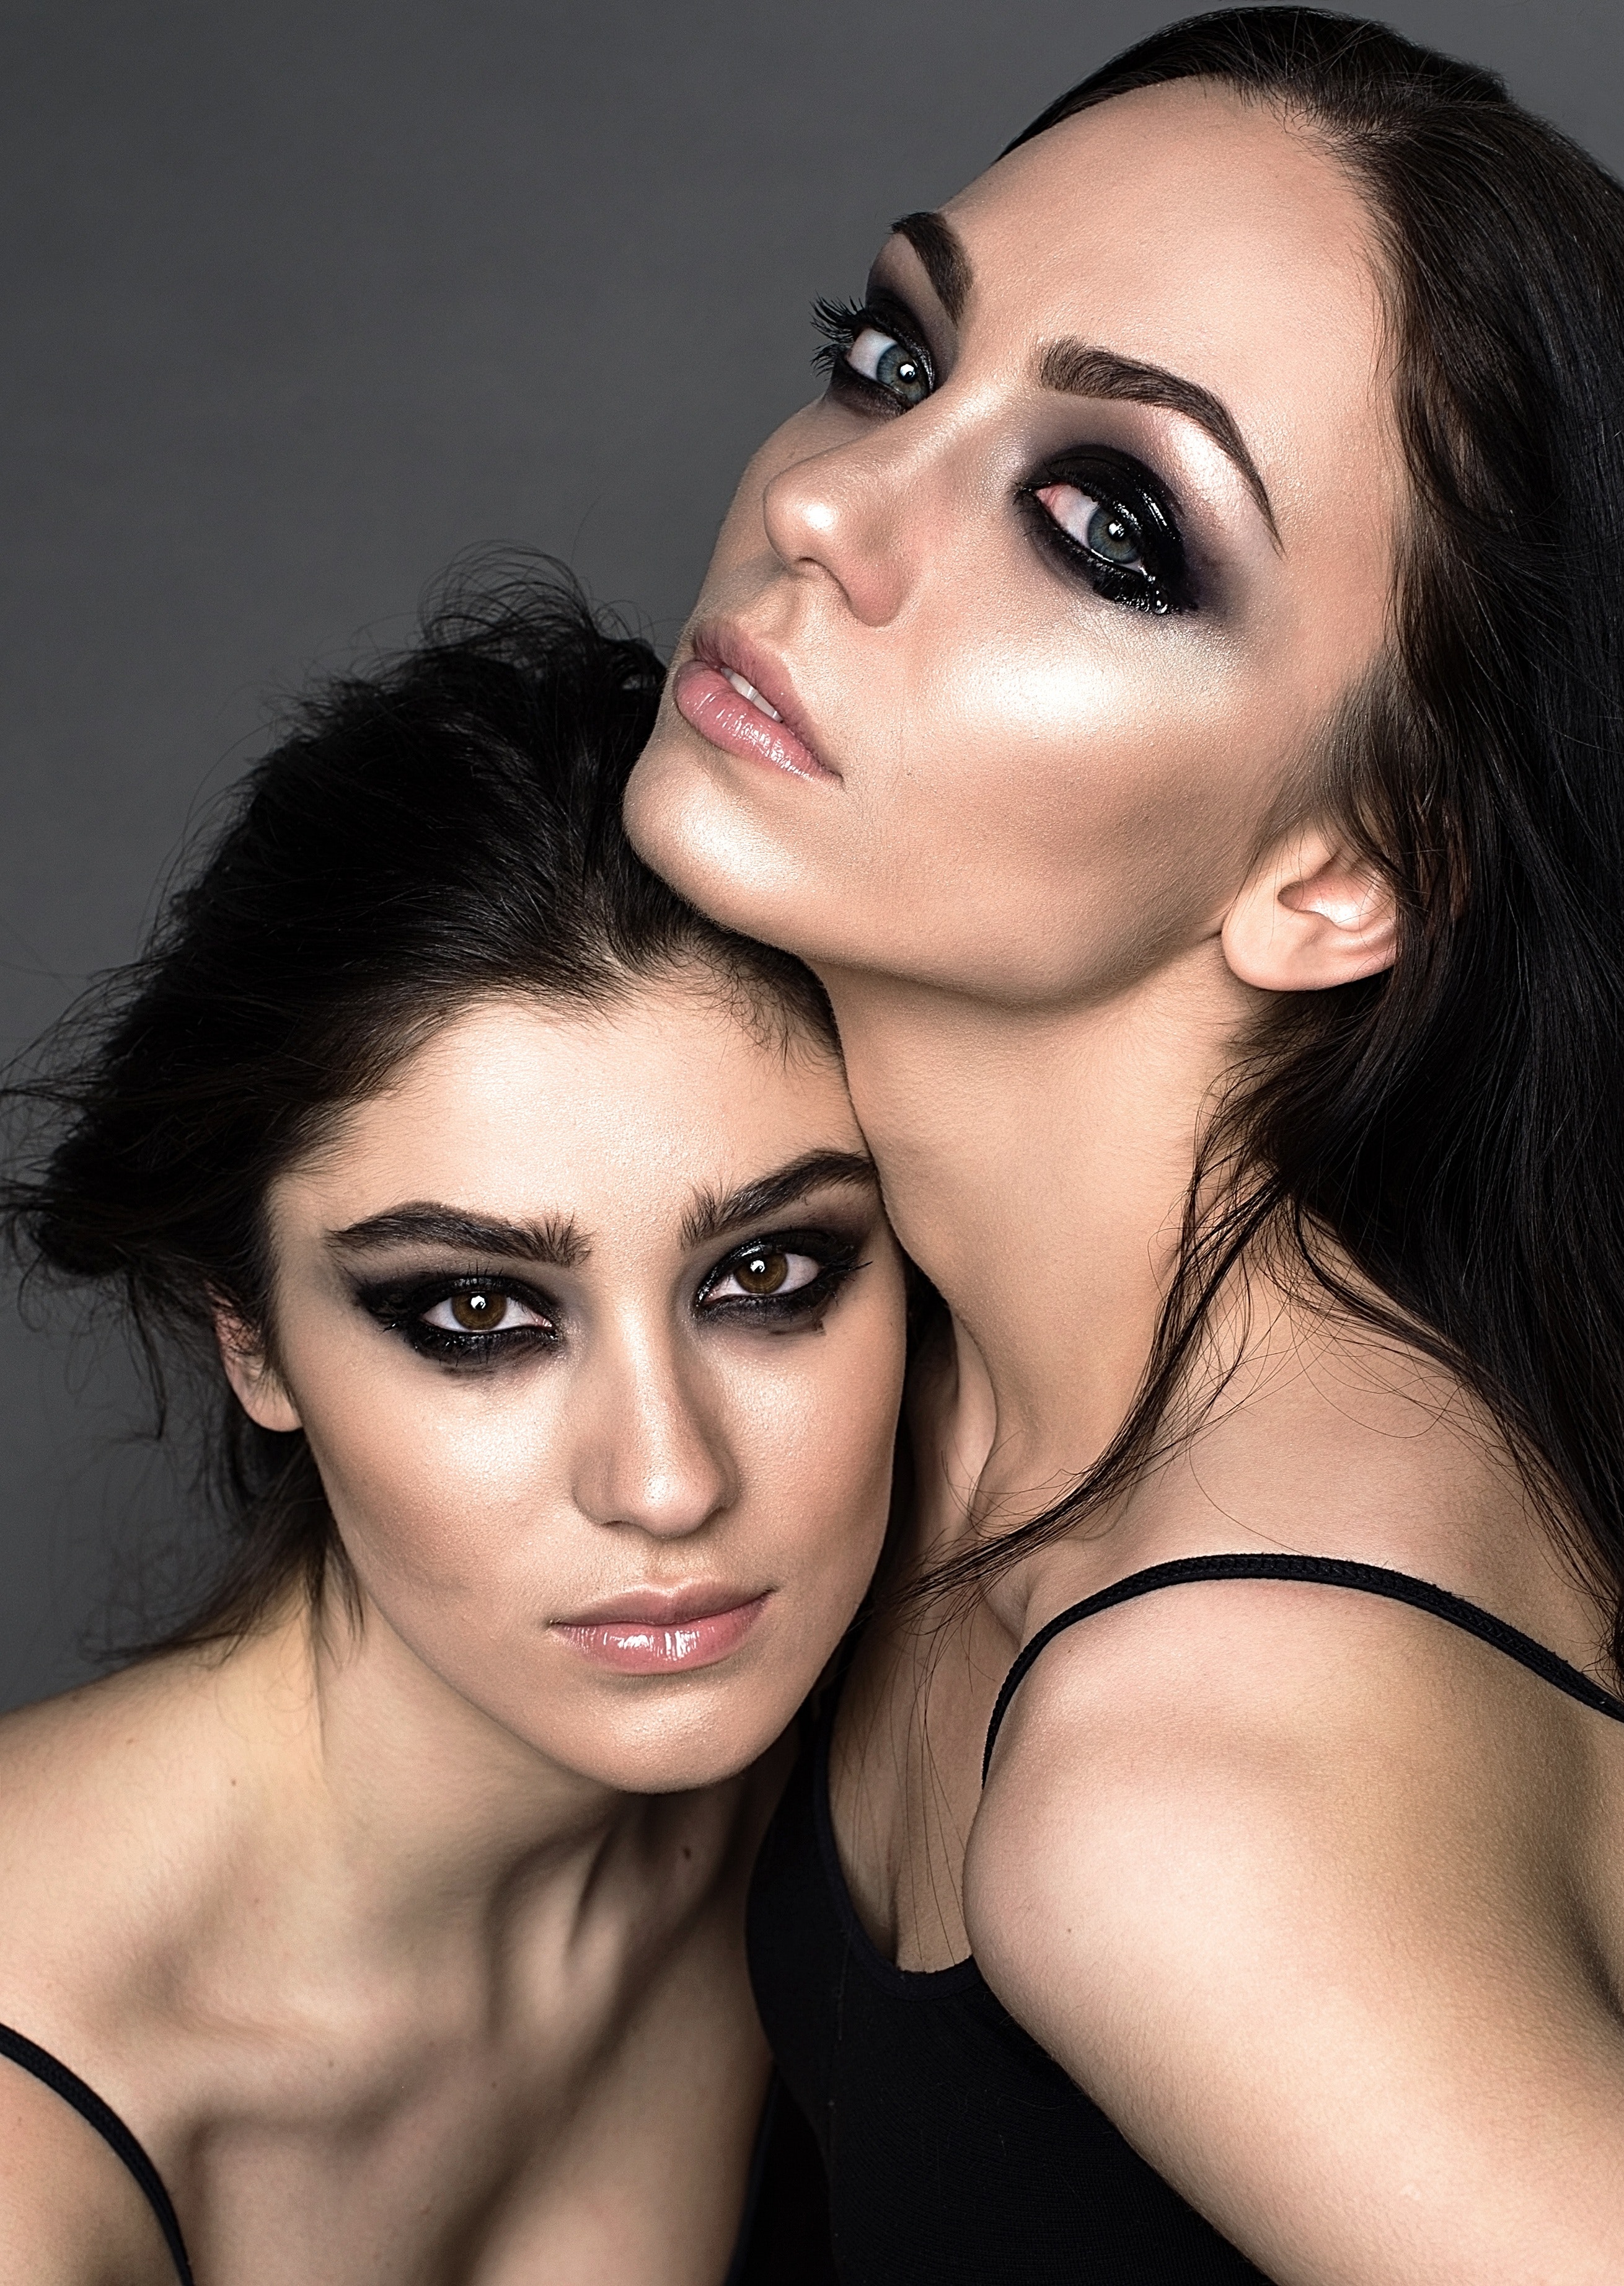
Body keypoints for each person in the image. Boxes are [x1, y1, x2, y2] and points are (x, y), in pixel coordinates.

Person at [625, 9, 1624, 2278]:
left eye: (1109, 525)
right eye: (892, 360)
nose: (824, 505)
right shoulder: (901, 1392)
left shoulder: (1187, 1790)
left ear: (1346, 872)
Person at [0, 572, 896, 2284]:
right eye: (478, 1315)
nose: (668, 1480)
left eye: (769, 1274)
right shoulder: (31, 2135)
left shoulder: (858, 1772)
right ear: (249, 1337)